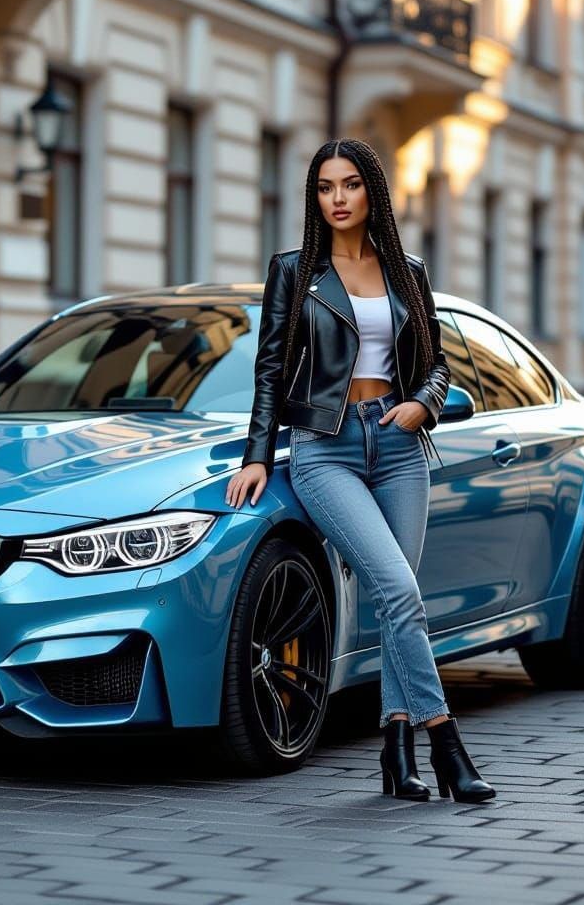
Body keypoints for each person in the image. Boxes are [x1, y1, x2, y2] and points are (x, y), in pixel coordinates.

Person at [225, 138, 496, 804]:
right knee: (401, 593)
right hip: (326, 450)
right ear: (314, 197)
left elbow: (437, 363)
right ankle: (446, 742)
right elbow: (269, 370)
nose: (338, 198)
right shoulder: (295, 272)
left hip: (399, 449)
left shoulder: (407, 270)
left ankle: (396, 749)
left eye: (349, 184)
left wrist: (420, 406)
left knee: (397, 601)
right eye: (325, 187)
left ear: (372, 190)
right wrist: (258, 455)